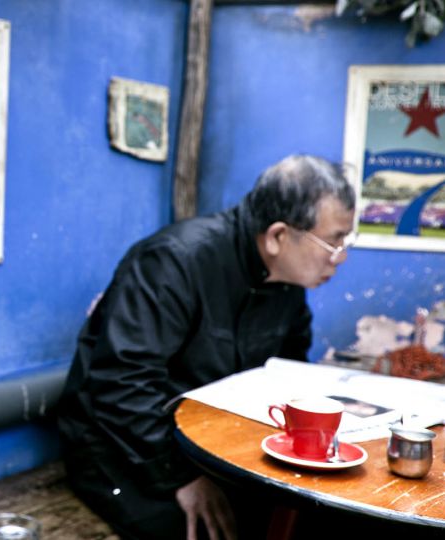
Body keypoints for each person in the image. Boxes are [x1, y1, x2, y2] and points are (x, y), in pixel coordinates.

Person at [57, 155, 357, 540]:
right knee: (205, 530)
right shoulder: (175, 261)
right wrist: (179, 477)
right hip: (122, 447)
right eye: (333, 241)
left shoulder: (287, 282)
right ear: (278, 236)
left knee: (314, 515)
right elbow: (121, 383)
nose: (341, 257)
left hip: (206, 443)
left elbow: (287, 370)